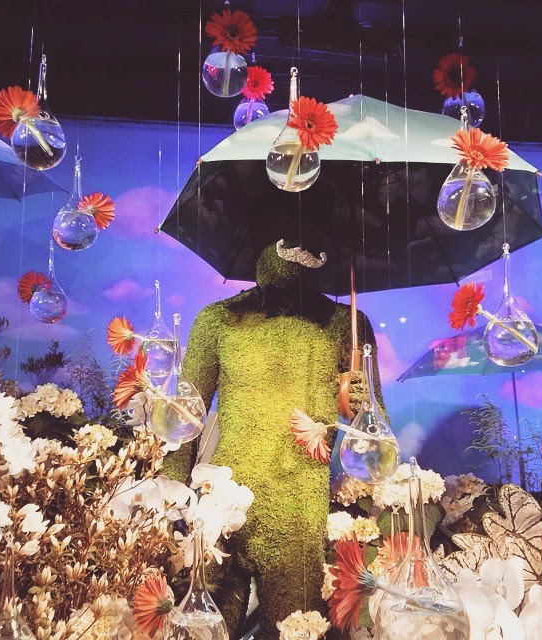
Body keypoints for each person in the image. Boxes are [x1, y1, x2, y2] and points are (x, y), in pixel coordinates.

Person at [165, 240, 385, 640]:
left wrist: (362, 403)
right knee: (203, 628)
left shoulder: (346, 324)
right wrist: (167, 498)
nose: (295, 249)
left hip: (298, 511)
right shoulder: (219, 320)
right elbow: (185, 416)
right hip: (221, 504)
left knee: (294, 628)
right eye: (284, 240)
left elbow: (375, 436)